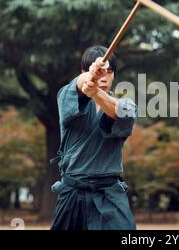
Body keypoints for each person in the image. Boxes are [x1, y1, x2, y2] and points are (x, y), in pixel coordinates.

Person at [50, 45, 136, 230]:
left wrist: (95, 92)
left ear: (114, 75)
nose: (104, 77)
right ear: (83, 71)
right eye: (100, 72)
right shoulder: (66, 96)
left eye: (110, 72)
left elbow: (117, 113)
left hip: (109, 194)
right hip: (73, 192)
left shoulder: (127, 105)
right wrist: (89, 77)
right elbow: (79, 84)